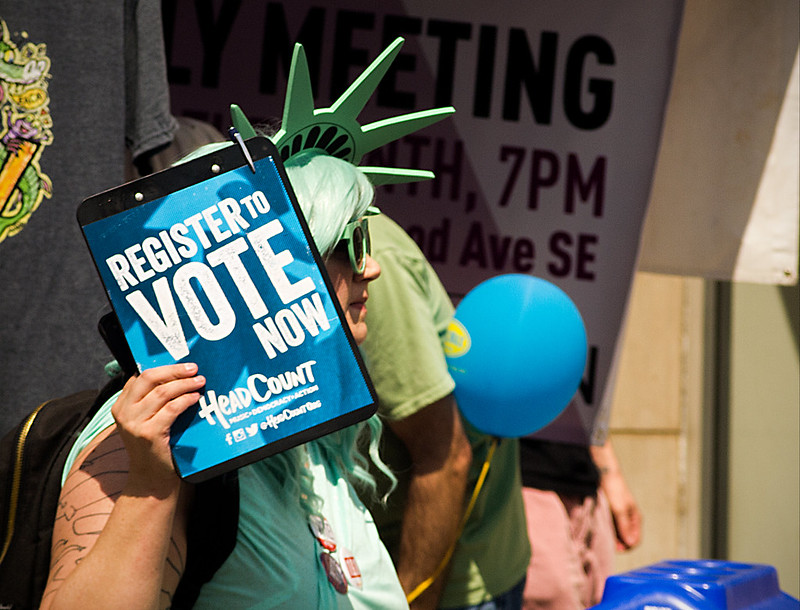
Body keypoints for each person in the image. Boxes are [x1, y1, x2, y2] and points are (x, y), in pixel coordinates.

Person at [39, 149, 410, 609]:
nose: (369, 266)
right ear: (260, 263)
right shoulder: (152, 440)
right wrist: (151, 485)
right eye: (348, 242)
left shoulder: (296, 411)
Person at [359, 213, 531, 610]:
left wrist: (411, 601)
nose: (368, 271)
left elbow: (445, 456)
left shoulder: (370, 264)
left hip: (451, 581)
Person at [520, 437, 642, 609]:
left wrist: (611, 473)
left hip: (586, 483)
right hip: (528, 483)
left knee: (603, 599)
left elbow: (587, 411)